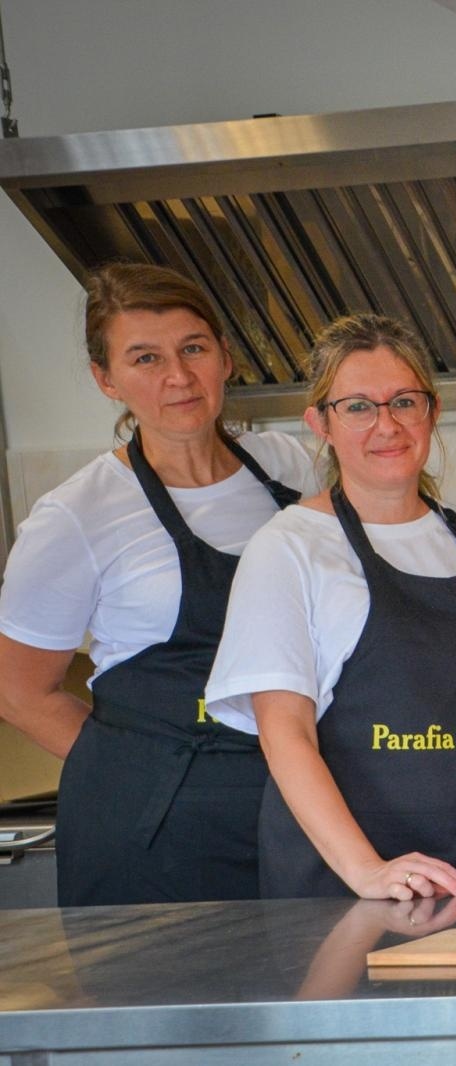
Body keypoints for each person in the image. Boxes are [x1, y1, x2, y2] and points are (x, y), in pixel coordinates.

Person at [205, 313, 456, 900]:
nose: (386, 424)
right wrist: (368, 871)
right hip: (356, 884)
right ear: (320, 422)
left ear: (432, 411)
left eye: (403, 402)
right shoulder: (289, 548)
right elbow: (284, 733)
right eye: (358, 406)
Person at [0, 263, 317, 907]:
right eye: (145, 358)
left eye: (193, 348)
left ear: (225, 358)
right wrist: (136, 772)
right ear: (106, 379)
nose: (178, 376)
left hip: (292, 810)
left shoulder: (292, 467)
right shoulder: (77, 514)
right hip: (154, 840)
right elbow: (17, 689)